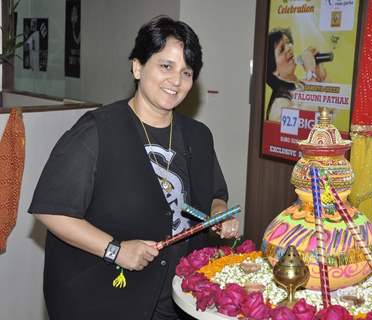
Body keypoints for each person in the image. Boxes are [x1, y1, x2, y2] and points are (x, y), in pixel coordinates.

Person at [29, 16, 239, 320]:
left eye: (187, 72)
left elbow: (215, 196)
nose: (176, 81)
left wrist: (219, 212)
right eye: (165, 66)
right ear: (138, 66)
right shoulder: (97, 130)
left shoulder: (198, 135)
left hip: (176, 298)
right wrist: (115, 249)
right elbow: (51, 209)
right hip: (104, 299)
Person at [266, 28, 328, 121]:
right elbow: (306, 124)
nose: (289, 47)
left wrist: (320, 75)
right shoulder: (279, 103)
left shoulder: (301, 85)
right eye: (282, 49)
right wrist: (311, 73)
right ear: (274, 71)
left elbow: (330, 111)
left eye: (288, 42)